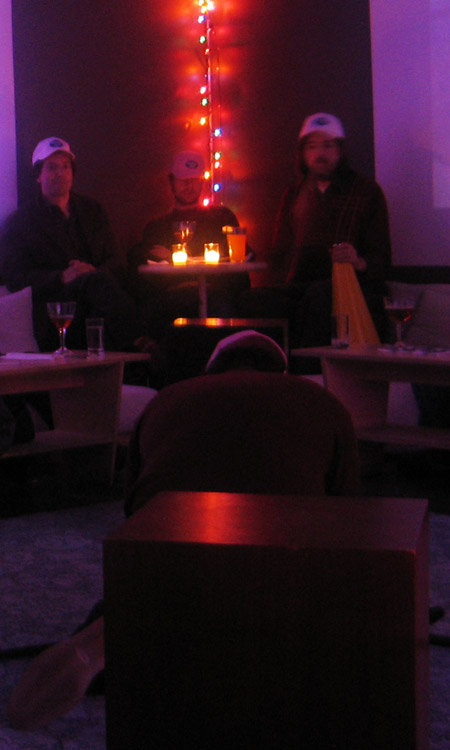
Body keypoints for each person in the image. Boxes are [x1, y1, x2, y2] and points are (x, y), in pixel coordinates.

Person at [7, 330, 361, 731]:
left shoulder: (167, 400)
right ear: (282, 371)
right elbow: (345, 514)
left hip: (169, 561)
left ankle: (109, 641)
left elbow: (134, 505)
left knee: (138, 611)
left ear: (211, 370)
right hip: (280, 571)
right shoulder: (323, 403)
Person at [239, 113, 392, 348]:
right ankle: (273, 366)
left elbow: (382, 259)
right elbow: (280, 251)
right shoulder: (295, 194)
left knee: (320, 297)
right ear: (303, 153)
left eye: (328, 145)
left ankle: (312, 369)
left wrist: (357, 260)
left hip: (352, 286)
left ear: (340, 150)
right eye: (312, 147)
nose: (320, 153)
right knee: (254, 300)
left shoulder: (366, 191)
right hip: (301, 284)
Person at [0, 137, 143, 353]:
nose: (60, 173)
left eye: (65, 167)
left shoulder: (92, 211)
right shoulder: (21, 222)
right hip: (55, 310)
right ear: (38, 175)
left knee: (102, 286)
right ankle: (139, 344)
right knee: (98, 285)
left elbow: (116, 261)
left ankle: (125, 361)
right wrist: (61, 277)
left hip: (97, 302)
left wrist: (91, 271)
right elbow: (14, 276)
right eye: (52, 167)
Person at [128, 151, 251, 339]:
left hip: (216, 293)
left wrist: (174, 258)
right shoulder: (157, 227)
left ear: (202, 182)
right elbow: (145, 270)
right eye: (183, 180)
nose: (189, 186)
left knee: (220, 306)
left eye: (194, 180)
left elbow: (243, 257)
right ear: (172, 182)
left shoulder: (221, 218)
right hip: (173, 297)